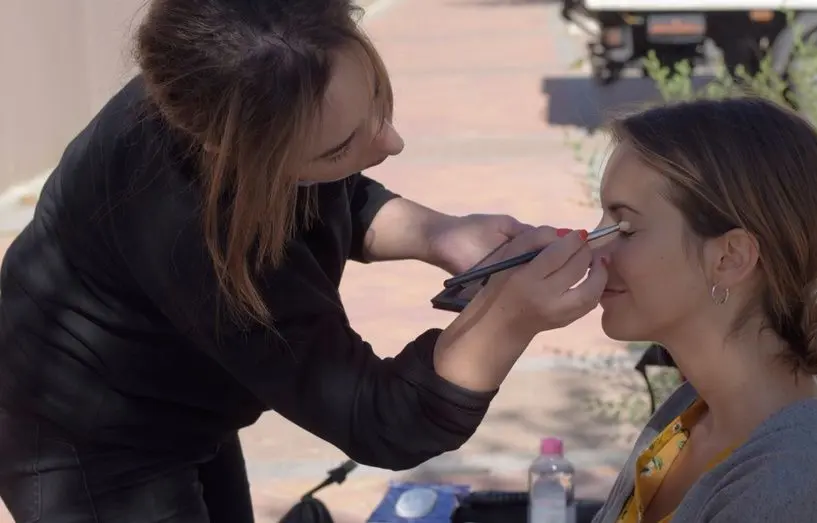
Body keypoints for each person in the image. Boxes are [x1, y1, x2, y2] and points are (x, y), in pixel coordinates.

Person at [0, 1, 609, 521]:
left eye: (377, 100)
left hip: (181, 399)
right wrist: (506, 320)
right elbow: (379, 418)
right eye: (341, 147)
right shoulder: (201, 238)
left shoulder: (234, 77)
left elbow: (324, 188)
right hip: (83, 435)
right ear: (229, 150)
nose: (391, 143)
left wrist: (438, 234)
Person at [587, 98, 817, 523]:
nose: (593, 248)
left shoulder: (796, 484)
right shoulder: (694, 415)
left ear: (731, 258)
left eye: (625, 228)